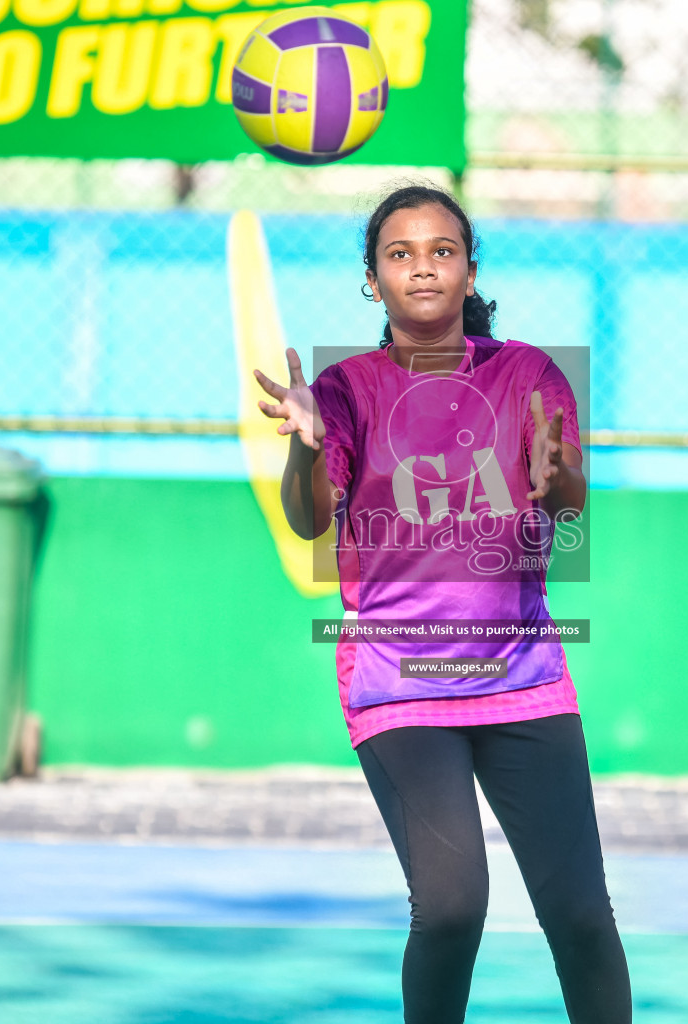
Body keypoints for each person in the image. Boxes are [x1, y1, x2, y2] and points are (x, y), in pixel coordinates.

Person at [253, 185, 632, 1023]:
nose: (421, 267)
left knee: (578, 914)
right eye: (399, 254)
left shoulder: (528, 372)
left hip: (521, 676)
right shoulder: (344, 388)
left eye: (441, 251)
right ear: (371, 279)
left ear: (468, 271)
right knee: (454, 906)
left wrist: (557, 472)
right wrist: (305, 448)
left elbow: (568, 501)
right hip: (401, 682)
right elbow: (310, 517)